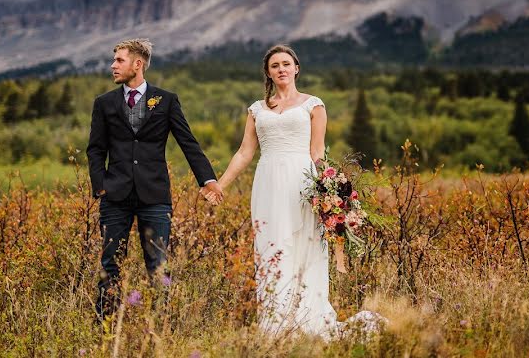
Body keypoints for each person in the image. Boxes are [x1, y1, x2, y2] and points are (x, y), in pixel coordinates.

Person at [203, 44, 382, 336]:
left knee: (304, 244)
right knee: (272, 246)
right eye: (275, 66)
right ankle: (275, 323)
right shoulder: (257, 109)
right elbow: (245, 153)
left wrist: (333, 193)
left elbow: (317, 152)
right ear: (268, 73)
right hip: (268, 181)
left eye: (286, 64)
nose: (281, 69)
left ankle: (308, 320)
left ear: (296, 68)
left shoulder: (314, 105)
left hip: (302, 182)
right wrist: (219, 185)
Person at [87, 38, 223, 320]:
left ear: (138, 64)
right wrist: (100, 186)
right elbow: (96, 149)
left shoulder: (166, 100)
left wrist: (207, 179)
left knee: (158, 265)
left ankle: (160, 329)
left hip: (155, 197)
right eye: (114, 61)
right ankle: (104, 328)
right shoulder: (104, 103)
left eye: (119, 61)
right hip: (115, 197)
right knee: (110, 264)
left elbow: (188, 143)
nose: (113, 66)